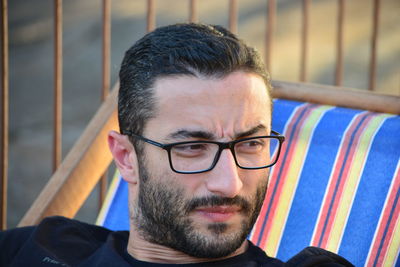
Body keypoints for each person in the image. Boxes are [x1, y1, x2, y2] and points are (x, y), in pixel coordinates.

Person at [0, 23, 354, 266]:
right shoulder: (39, 248)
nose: (229, 184)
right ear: (126, 157)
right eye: (191, 147)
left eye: (251, 144)